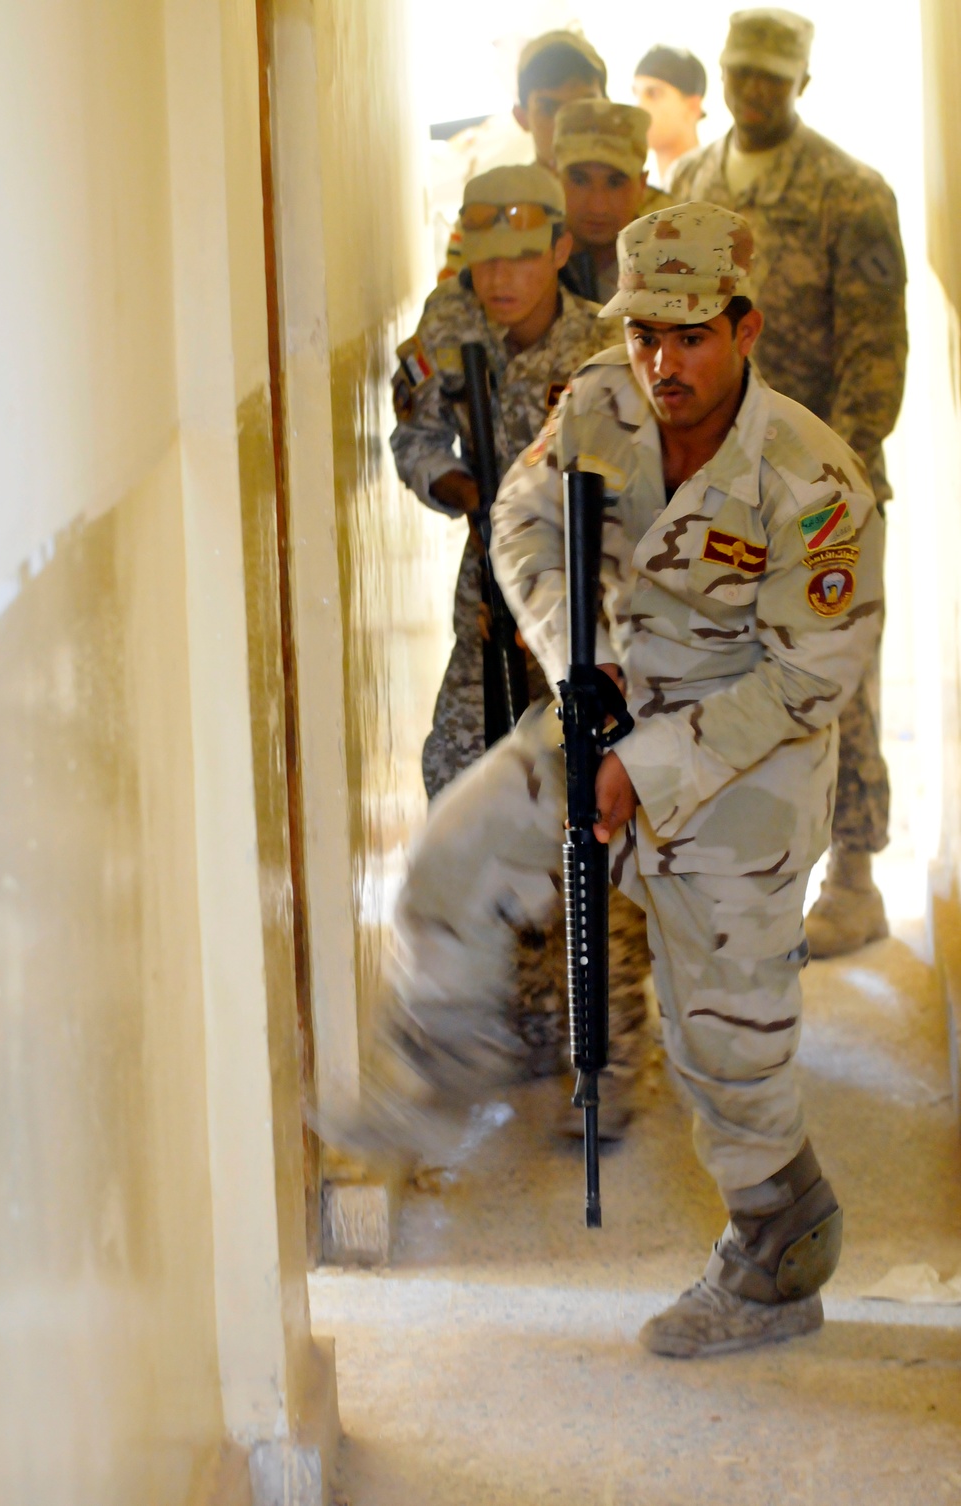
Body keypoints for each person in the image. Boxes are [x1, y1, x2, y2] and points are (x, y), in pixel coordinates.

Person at [368, 203, 882, 1357]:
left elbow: (809, 677)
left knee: (728, 1051)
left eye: (689, 335)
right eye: (644, 331)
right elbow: (517, 521)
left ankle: (777, 1250)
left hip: (746, 751)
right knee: (456, 851)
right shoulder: (600, 399)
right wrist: (574, 659)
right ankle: (445, 1068)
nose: (661, 363)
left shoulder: (813, 480)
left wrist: (642, 775)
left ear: (743, 328)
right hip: (608, 694)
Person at [389, 164, 649, 1133]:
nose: (499, 281)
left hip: (594, 621)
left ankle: (610, 1059)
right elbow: (413, 441)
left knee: (599, 836)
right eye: (482, 261)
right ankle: (503, 1028)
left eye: (519, 258)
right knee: (457, 786)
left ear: (553, 250)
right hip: (490, 610)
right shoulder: (446, 329)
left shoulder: (606, 344)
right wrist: (459, 492)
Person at [669, 8, 908, 956]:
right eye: (741, 72)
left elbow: (875, 358)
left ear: (802, 83)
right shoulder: (692, 187)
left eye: (773, 76)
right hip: (723, 489)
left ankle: (854, 873)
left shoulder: (852, 194)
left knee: (837, 680)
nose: (754, 90)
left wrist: (828, 491)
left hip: (825, 495)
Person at [440, 30, 607, 281]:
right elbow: (452, 311)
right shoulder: (485, 216)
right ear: (522, 117)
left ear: (607, 108)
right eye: (549, 108)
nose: (567, 124)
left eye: (583, 107)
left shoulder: (653, 210)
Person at [553, 99, 673, 306]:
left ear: (642, 186)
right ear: (556, 179)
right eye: (580, 180)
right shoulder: (530, 263)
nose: (597, 206)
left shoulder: (675, 265)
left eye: (615, 182)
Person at [632, 45, 707, 186]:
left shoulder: (715, 185)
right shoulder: (641, 192)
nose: (639, 108)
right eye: (636, 94)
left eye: (653, 94)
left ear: (693, 107)